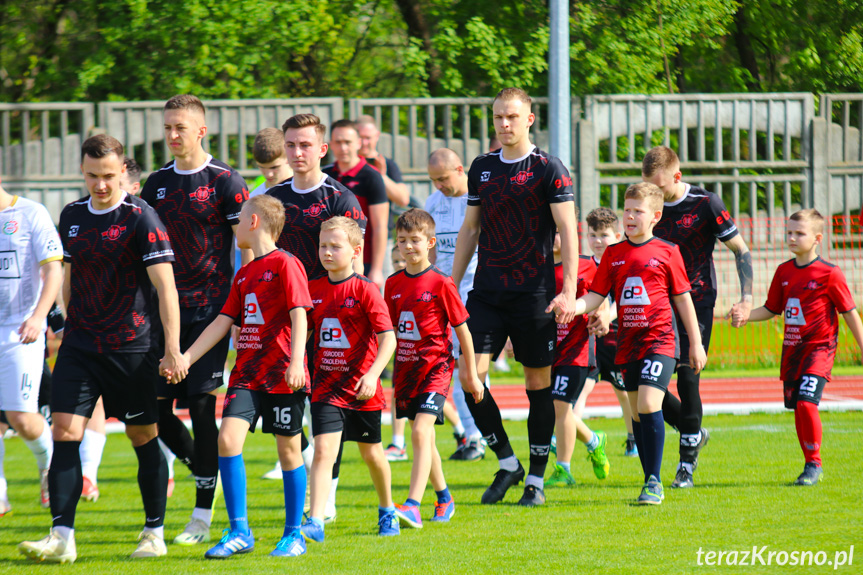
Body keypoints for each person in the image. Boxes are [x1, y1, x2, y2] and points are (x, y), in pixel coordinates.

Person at [19, 134, 186, 562]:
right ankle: (61, 537)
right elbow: (68, 275)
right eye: (93, 176)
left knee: (141, 435)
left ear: (123, 173)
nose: (101, 185)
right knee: (64, 433)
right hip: (80, 345)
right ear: (83, 171)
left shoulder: (142, 218)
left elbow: (166, 289)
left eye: (109, 176)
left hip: (133, 348)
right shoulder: (72, 214)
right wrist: (69, 321)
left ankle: (153, 532)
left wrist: (172, 349)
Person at [451, 87, 580, 507]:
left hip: (535, 294)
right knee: (471, 377)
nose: (504, 124)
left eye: (512, 117)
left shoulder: (548, 168)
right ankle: (508, 462)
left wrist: (568, 291)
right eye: (498, 118)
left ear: (529, 119)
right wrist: (451, 285)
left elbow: (569, 231)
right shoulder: (482, 167)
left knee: (536, 384)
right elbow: (471, 229)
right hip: (487, 292)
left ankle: (537, 480)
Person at [166, 195, 312, 558]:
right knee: (227, 441)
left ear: (254, 222)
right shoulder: (244, 272)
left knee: (289, 449)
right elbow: (222, 321)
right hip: (247, 373)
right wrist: (186, 357)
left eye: (241, 216)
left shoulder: (286, 264)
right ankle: (239, 531)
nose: (236, 223)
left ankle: (294, 534)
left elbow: (299, 315)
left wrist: (297, 362)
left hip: (281, 374)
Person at [141, 94, 251, 545]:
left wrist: (245, 314)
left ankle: (202, 515)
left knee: (202, 407)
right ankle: (204, 471)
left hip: (211, 311)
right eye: (167, 127)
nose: (172, 135)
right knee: (153, 413)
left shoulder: (226, 181)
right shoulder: (155, 183)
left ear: (200, 130)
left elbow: (246, 248)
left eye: (180, 127)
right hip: (160, 313)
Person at [572, 182, 707, 505]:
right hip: (626, 345)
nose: (630, 216)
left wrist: (696, 343)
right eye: (627, 210)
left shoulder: (667, 251)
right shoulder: (615, 255)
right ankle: (649, 480)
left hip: (660, 340)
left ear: (655, 216)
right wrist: (572, 307)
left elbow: (683, 299)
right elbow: (595, 296)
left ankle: (655, 481)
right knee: (637, 414)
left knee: (648, 404)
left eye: (638, 211)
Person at [268, 112, 367, 523]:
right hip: (283, 323)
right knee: (290, 411)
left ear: (322, 150)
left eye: (305, 145)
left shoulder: (341, 199)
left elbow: (356, 263)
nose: (297, 152)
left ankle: (327, 497)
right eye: (290, 144)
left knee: (326, 408)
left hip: (330, 323)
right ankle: (312, 480)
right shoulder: (273, 199)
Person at [642, 145, 753, 489]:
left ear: (677, 177)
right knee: (641, 383)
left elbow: (741, 250)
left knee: (688, 379)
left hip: (698, 302)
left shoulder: (706, 204)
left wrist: (747, 299)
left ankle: (686, 465)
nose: (652, 196)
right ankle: (694, 431)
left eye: (658, 188)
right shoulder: (647, 204)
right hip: (656, 305)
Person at [734, 209, 863, 486]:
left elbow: (850, 312)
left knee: (807, 402)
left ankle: (814, 465)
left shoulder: (830, 273)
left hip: (820, 349)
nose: (792, 237)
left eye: (799, 233)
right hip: (792, 352)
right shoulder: (783, 271)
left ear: (817, 238)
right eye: (789, 232)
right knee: (798, 407)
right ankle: (808, 463)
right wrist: (745, 316)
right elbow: (771, 309)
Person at [301, 216, 400, 542]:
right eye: (323, 246)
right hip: (325, 389)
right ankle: (315, 520)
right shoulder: (312, 290)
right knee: (323, 451)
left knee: (372, 454)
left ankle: (387, 510)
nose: (327, 252)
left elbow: (389, 338)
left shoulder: (366, 290)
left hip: (361, 390)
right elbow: (301, 334)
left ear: (356, 251)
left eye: (335, 246)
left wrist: (373, 375)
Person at [386, 209, 484, 528]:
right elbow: (385, 330)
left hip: (436, 370)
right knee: (423, 438)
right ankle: (444, 498)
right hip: (406, 371)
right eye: (402, 240)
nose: (408, 246)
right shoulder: (392, 284)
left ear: (429, 243)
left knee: (419, 431)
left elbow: (463, 331)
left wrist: (470, 373)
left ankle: (413, 503)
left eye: (415, 240)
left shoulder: (442, 282)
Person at [0, 174, 63, 517]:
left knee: (21, 418)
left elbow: (54, 270)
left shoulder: (30, 213)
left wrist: (39, 317)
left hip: (20, 331)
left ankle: (49, 464)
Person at [425, 148, 485, 461]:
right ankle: (473, 436)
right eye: (434, 180)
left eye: (444, 179)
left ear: (460, 169)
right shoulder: (433, 203)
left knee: (469, 367)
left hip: (477, 294)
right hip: (444, 297)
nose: (439, 186)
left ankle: (478, 434)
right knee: (460, 367)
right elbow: (431, 253)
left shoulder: (478, 200)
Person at [545, 227, 610, 488]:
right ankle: (594, 441)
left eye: (558, 231)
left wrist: (603, 315)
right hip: (547, 351)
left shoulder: (584, 265)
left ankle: (563, 469)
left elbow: (600, 297)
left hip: (577, 349)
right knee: (557, 409)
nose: (552, 237)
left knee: (561, 406)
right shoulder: (536, 266)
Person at [585, 207, 637, 457]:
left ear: (617, 236)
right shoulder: (585, 265)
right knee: (580, 386)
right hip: (588, 337)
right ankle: (569, 437)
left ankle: (633, 437)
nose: (597, 241)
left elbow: (625, 299)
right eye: (592, 235)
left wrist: (608, 315)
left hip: (617, 335)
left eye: (603, 235)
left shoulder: (622, 262)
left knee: (622, 389)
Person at [324, 119, 389, 289]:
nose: (343, 147)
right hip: (327, 260)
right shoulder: (325, 175)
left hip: (362, 261)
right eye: (338, 142)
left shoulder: (371, 176)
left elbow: (380, 227)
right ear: (330, 144)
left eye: (348, 142)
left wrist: (376, 269)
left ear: (358, 143)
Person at [355, 115, 410, 208]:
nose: (364, 143)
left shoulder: (387, 164)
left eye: (368, 138)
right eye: (360, 138)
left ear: (377, 136)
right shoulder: (347, 166)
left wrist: (382, 176)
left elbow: (403, 200)